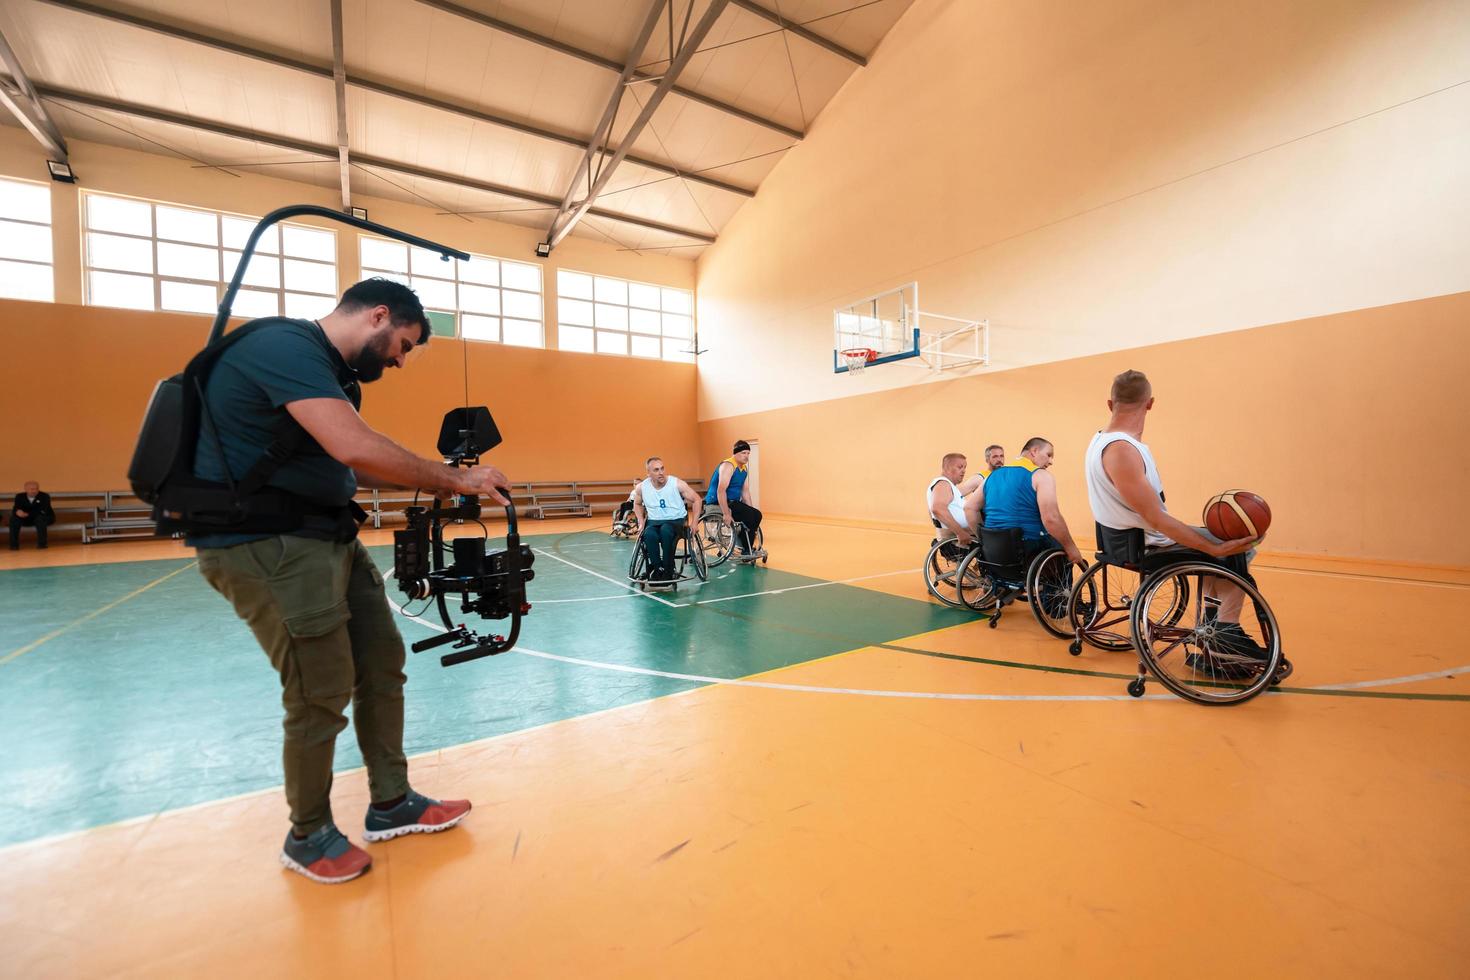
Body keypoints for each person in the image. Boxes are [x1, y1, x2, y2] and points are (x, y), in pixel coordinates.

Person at [190, 278, 512, 885]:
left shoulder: (332, 377)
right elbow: (353, 446)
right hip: (266, 543)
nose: (401, 359)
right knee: (320, 686)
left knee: (381, 662)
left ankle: (391, 801)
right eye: (406, 344)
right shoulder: (284, 347)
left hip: (325, 536)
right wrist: (454, 480)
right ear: (379, 317)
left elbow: (349, 461)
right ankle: (307, 833)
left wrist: (441, 479)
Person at [1085, 369, 1287, 679]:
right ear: (1150, 404)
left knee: (1219, 545)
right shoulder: (1122, 450)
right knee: (1238, 550)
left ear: (1109, 404)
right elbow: (1156, 519)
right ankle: (1224, 635)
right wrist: (1212, 546)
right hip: (1145, 544)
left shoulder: (1101, 441)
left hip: (1128, 538)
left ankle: (1210, 630)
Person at [974, 438, 1086, 568]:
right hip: (1027, 548)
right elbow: (1051, 519)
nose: (1051, 462)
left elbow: (969, 508)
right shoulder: (1041, 476)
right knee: (1065, 552)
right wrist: (1071, 548)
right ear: (1034, 451)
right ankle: (1062, 589)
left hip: (994, 550)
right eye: (1048, 455)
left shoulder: (992, 476)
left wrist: (984, 539)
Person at [633, 457, 701, 587]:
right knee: (649, 534)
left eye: (662, 468)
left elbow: (697, 500)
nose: (661, 472)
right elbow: (637, 504)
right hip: (654, 522)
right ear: (649, 473)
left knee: (665, 530)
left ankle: (668, 569)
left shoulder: (677, 483)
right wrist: (641, 522)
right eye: (656, 470)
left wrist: (694, 523)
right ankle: (658, 569)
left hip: (676, 522)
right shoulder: (642, 487)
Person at [705, 439, 766, 561]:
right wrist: (726, 513)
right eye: (744, 453)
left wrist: (752, 510)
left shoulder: (743, 469)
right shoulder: (728, 466)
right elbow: (720, 491)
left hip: (733, 502)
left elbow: (745, 492)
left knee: (756, 515)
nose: (746, 456)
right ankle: (744, 546)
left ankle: (744, 546)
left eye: (748, 453)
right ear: (735, 453)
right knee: (749, 515)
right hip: (717, 502)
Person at [926, 453, 984, 547]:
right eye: (960, 467)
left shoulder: (948, 485)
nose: (963, 471)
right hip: (959, 536)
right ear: (947, 468)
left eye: (965, 467)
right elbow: (937, 509)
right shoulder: (943, 484)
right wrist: (960, 532)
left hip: (965, 532)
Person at [8, 481, 54, 550]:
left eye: (36, 489)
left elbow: (43, 510)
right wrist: (17, 512)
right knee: (14, 519)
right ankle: (14, 545)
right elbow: (16, 508)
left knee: (40, 519)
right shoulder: (19, 496)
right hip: (25, 518)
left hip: (43, 517)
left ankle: (42, 544)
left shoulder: (44, 496)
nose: (34, 491)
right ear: (25, 489)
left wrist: (27, 514)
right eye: (31, 489)